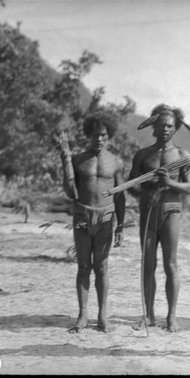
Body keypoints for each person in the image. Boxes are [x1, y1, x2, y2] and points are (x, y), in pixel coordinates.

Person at [128, 104, 190, 333]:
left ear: (175, 128)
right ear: (153, 127)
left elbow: (189, 187)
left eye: (169, 126)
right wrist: (146, 187)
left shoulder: (181, 155)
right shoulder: (143, 154)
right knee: (148, 265)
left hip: (171, 212)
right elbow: (131, 186)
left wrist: (169, 183)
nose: (165, 129)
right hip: (148, 212)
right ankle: (148, 315)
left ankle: (172, 317)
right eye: (161, 125)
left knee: (171, 265)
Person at [57, 110, 125, 333]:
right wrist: (65, 158)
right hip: (82, 216)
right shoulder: (77, 160)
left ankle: (103, 316)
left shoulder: (115, 162)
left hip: (106, 217)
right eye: (96, 135)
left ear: (109, 135)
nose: (100, 139)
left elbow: (120, 195)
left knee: (102, 267)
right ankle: (83, 315)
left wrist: (121, 226)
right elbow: (70, 192)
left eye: (104, 135)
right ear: (89, 134)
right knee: (84, 266)